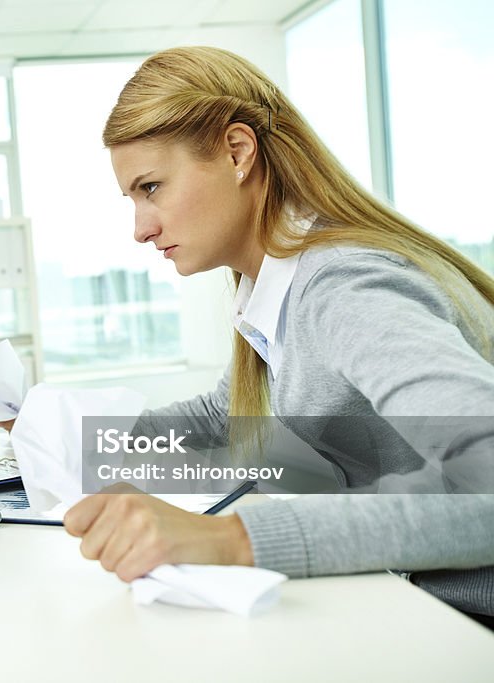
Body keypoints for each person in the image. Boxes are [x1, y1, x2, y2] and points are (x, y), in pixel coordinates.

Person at [57, 46, 494, 623]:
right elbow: (224, 414)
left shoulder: (343, 288)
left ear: (238, 152)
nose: (141, 228)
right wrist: (75, 441)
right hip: (410, 602)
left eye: (152, 187)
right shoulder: (276, 288)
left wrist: (231, 540)